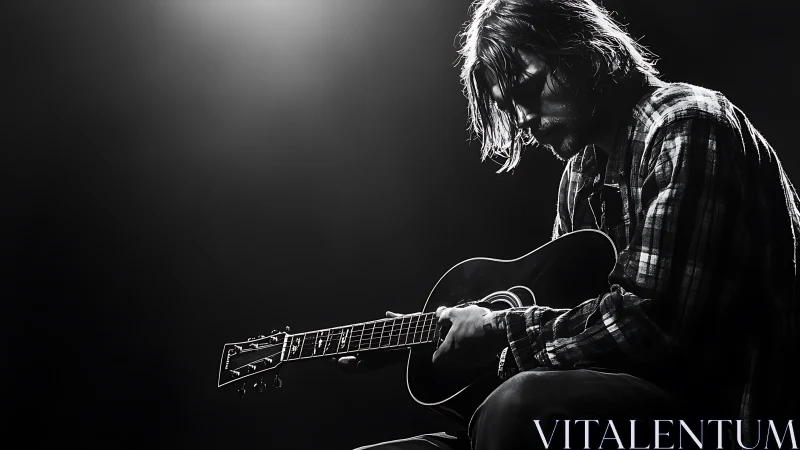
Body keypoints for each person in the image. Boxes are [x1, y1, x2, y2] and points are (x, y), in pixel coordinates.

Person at [340, 1, 800, 449]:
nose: (523, 119)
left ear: (584, 48)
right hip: (600, 408)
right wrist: (429, 340)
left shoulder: (685, 123)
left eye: (528, 88)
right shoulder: (579, 175)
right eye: (509, 105)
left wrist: (496, 329)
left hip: (709, 419)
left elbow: (656, 324)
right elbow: (566, 325)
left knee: (520, 404)